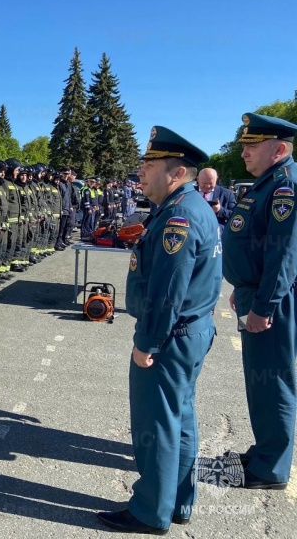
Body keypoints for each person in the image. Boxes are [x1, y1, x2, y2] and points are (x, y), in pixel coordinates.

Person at [98, 126, 221, 535]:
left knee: (156, 426)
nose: (141, 172)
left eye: (150, 165)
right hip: (190, 333)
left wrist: (147, 342)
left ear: (176, 172)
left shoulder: (179, 217)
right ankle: (177, 502)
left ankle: (150, 511)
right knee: (179, 421)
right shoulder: (183, 207)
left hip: (170, 337)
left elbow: (169, 291)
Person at [222, 113, 297, 490]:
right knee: (260, 378)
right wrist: (242, 286)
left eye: (252, 146)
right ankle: (266, 449)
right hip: (256, 292)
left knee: (273, 381)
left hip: (273, 301)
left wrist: (264, 306)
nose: (244, 152)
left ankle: (271, 468)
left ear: (279, 149)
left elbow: (283, 255)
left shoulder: (284, 187)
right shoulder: (265, 184)